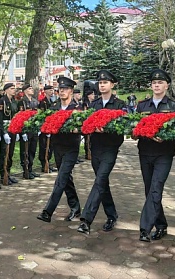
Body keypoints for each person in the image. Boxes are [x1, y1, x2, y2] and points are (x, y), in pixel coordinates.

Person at [135, 69, 175, 242]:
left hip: (164, 153)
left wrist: (166, 137)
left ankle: (145, 228)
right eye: (154, 82)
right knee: (150, 190)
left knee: (156, 187)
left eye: (160, 82)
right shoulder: (142, 106)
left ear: (166, 85)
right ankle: (161, 225)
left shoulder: (174, 106)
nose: (157, 85)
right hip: (145, 152)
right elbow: (135, 128)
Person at [77, 70, 126, 235]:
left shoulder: (120, 104)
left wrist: (108, 130)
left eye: (105, 82)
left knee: (99, 181)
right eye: (100, 83)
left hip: (110, 149)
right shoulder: (94, 105)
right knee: (102, 182)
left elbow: (123, 127)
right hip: (95, 148)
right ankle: (112, 215)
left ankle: (86, 220)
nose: (102, 85)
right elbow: (86, 125)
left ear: (112, 84)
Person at [37, 76, 82, 223]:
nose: (62, 92)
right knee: (66, 178)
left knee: (61, 178)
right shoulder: (53, 107)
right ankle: (75, 208)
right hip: (57, 146)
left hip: (71, 147)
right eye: (60, 89)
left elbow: (81, 126)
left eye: (65, 89)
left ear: (71, 91)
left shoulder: (77, 109)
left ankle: (47, 211)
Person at [0, 83, 20, 185]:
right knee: (4, 153)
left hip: (13, 128)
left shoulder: (14, 101)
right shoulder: (1, 102)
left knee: (10, 153)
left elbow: (16, 116)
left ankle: (8, 173)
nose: (14, 90)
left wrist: (18, 130)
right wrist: (4, 132)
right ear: (6, 90)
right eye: (11, 88)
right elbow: (0, 118)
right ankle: (3, 175)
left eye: (14, 88)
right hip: (5, 129)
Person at [18, 84, 40, 179]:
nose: (32, 90)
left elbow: (37, 115)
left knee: (32, 150)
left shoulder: (35, 102)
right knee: (25, 151)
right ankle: (25, 170)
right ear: (25, 91)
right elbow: (20, 117)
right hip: (26, 130)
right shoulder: (22, 102)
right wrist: (22, 132)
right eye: (30, 89)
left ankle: (30, 169)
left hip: (34, 129)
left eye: (32, 88)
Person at [38, 85, 57, 173]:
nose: (51, 91)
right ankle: (44, 164)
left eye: (52, 90)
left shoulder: (53, 102)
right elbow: (42, 116)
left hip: (51, 127)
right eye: (49, 90)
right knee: (44, 146)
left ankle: (48, 163)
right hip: (45, 128)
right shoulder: (43, 102)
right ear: (45, 91)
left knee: (50, 146)